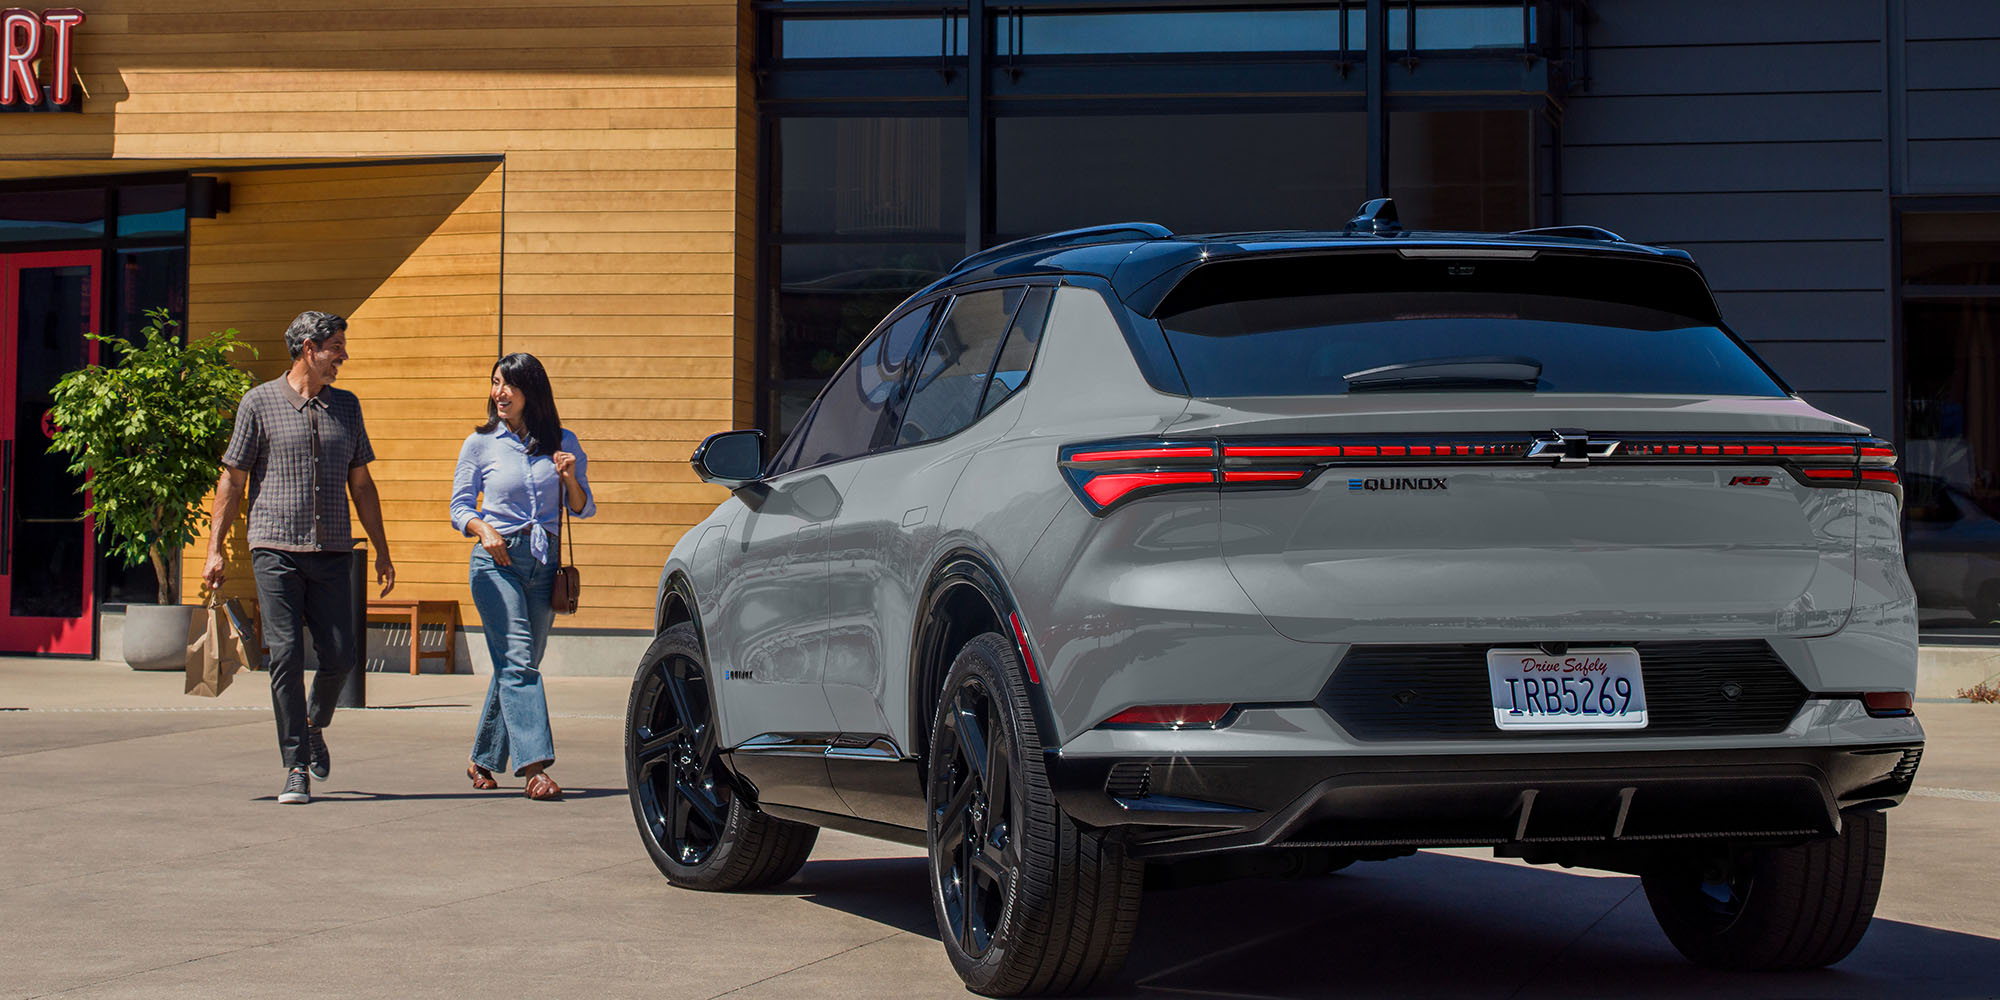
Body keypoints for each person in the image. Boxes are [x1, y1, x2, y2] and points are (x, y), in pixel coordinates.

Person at [204, 310, 396, 806]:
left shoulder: (347, 408)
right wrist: (213, 550)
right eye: (336, 347)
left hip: (333, 550)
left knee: (341, 657)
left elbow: (362, 484)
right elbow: (233, 480)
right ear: (309, 349)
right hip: (274, 549)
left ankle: (313, 726)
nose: (343, 357)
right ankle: (295, 767)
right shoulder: (259, 403)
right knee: (285, 655)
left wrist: (381, 548)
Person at [451, 353, 594, 801]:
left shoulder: (562, 441)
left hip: (544, 564)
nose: (500, 393)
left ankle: (483, 758)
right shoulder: (480, 443)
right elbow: (458, 506)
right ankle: (535, 768)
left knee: (518, 665)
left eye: (509, 384)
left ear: (531, 391)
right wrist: (483, 528)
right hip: (497, 563)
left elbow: (581, 506)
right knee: (517, 660)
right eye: (495, 383)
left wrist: (569, 478)